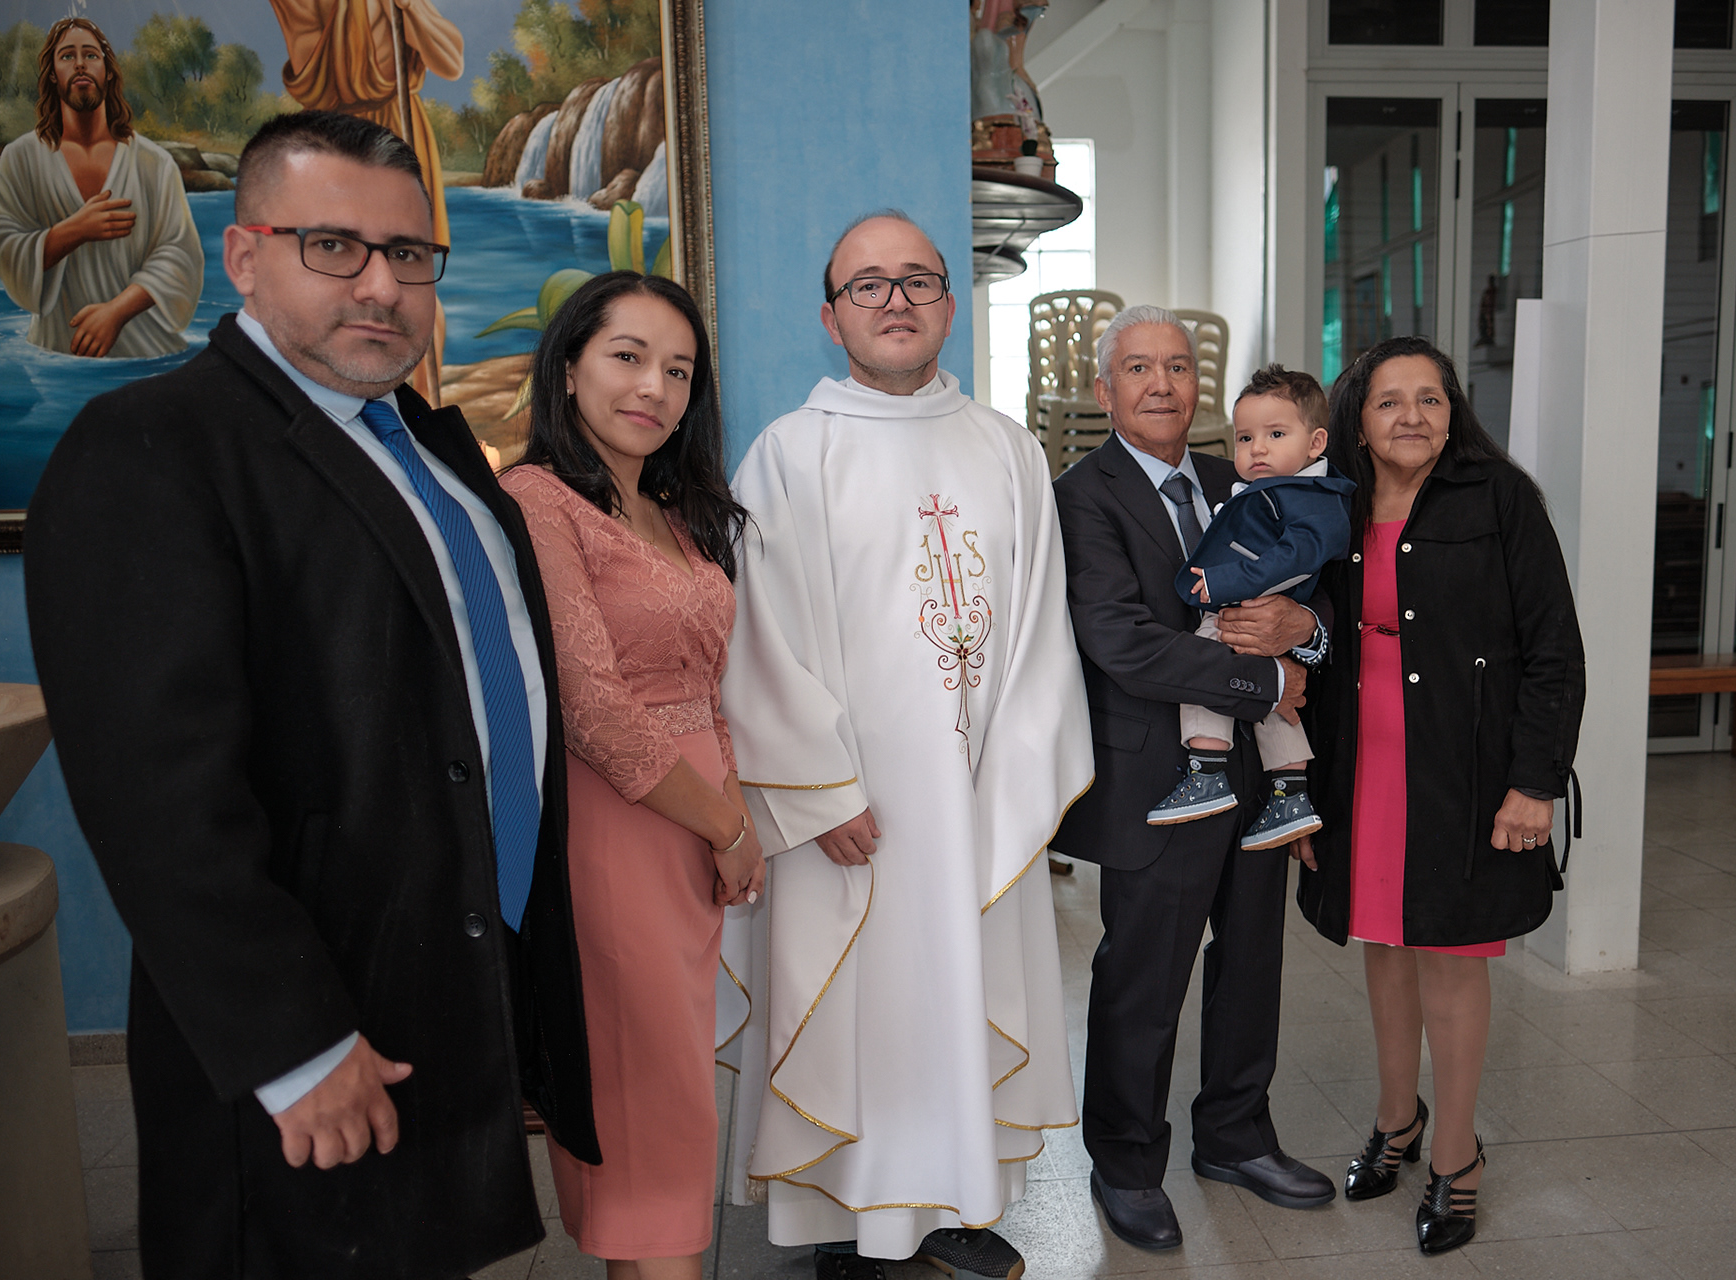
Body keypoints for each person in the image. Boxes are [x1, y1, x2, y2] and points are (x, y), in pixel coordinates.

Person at [24, 110, 597, 1280]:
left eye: (409, 253)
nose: (381, 285)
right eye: (334, 246)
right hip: (314, 1027)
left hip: (446, 979)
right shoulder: (152, 447)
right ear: (244, 257)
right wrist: (293, 1044)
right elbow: (158, 802)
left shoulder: (428, 450)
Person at [718, 209, 1092, 1280]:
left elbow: (1043, 627)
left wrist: (1011, 781)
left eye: (917, 280)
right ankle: (851, 1223)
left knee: (959, 995)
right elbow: (757, 635)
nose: (895, 300)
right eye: (867, 284)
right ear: (830, 316)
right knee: (863, 1010)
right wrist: (818, 790)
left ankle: (954, 1204)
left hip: (975, 798)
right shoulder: (789, 453)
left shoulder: (1007, 447)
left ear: (948, 305)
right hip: (852, 813)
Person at [1051, 305, 1338, 1253]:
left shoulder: (1236, 476)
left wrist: (1306, 633)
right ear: (1106, 391)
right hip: (1152, 781)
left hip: (1253, 773)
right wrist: (1269, 682)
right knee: (1143, 976)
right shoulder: (1079, 497)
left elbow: (1313, 590)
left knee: (1252, 961)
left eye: (1177, 366)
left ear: (1198, 385)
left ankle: (1235, 1136)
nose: (1162, 384)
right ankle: (1127, 1163)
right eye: (1139, 368)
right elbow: (1121, 641)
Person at [1293, 336, 1584, 1255]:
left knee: (1454, 957)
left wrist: (1534, 783)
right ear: (1358, 421)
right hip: (1360, 763)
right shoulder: (1329, 504)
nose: (1411, 416)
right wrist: (1302, 789)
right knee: (1384, 943)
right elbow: (1305, 645)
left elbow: (1554, 649)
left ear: (1454, 411)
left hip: (1463, 769)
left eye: (1430, 397)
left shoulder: (1500, 498)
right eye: (1390, 401)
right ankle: (1397, 1119)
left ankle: (1457, 1156)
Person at [500, 271, 762, 1280]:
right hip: (614, 828)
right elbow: (591, 708)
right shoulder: (538, 501)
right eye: (628, 356)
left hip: (688, 827)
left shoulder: (669, 511)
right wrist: (724, 824)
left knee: (670, 1096)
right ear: (568, 368)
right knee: (644, 1099)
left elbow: (705, 680)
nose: (655, 386)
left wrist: (732, 811)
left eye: (679, 370)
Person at [1147, 364, 1354, 856]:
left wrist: (1224, 582)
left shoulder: (1312, 497)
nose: (1257, 448)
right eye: (1245, 438)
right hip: (1253, 619)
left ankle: (1206, 770)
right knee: (1273, 700)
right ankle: (1290, 791)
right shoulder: (1273, 486)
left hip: (1245, 607)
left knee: (1206, 660)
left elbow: (1292, 559)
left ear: (1316, 443)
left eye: (1275, 434)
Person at [269, 0, 463, 402]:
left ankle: (422, 411)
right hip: (337, 142)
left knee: (413, 280)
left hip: (402, 130)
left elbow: (450, 63)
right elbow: (314, 74)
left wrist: (412, 9)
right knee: (338, 279)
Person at [0, 17, 203, 358]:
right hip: (56, 358)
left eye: (91, 55)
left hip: (146, 358)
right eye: (67, 56)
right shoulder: (21, 158)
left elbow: (181, 254)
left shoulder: (154, 163)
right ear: (52, 73)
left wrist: (117, 312)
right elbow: (2, 245)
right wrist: (75, 230)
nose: (80, 64)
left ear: (108, 71)